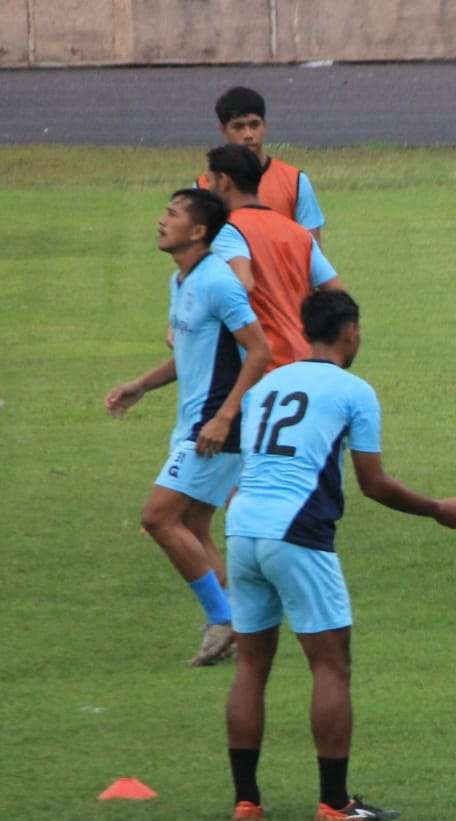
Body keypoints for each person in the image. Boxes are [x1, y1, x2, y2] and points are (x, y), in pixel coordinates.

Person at [223, 290, 456, 821]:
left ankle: (246, 802)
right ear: (351, 333)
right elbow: (374, 484)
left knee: (251, 663)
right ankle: (335, 802)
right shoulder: (354, 391)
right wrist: (436, 509)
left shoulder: (266, 385)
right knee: (331, 664)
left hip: (242, 526)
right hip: (295, 531)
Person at [104, 188, 272, 666]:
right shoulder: (181, 282)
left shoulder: (219, 282)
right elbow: (190, 353)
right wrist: (141, 385)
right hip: (196, 423)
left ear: (198, 231)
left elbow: (260, 351)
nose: (161, 221)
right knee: (194, 526)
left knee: (158, 517)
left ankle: (223, 620)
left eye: (172, 215)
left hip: (219, 425)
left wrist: (224, 416)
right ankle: (242, 625)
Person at [204, 143, 345, 370]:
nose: (207, 188)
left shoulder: (229, 231)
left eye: (209, 180)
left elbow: (243, 283)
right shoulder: (298, 232)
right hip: (306, 360)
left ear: (225, 181)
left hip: (265, 368)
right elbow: (338, 292)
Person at [196, 86, 326, 245]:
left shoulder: (295, 181)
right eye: (238, 127)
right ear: (223, 130)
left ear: (265, 125)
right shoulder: (204, 187)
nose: (248, 135)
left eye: (254, 125)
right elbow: (196, 249)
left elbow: (312, 248)